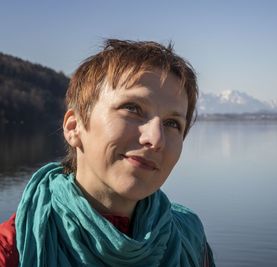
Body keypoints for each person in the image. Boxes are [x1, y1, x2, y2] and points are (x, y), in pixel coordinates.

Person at [0, 39, 215, 266]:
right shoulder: (14, 250)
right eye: (132, 108)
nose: (156, 139)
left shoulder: (190, 240)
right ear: (74, 127)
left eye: (172, 123)